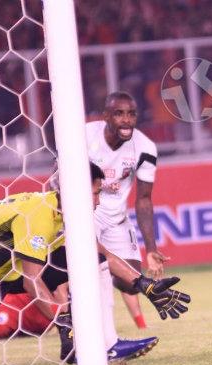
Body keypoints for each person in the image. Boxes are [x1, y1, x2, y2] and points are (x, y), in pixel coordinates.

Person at [0, 163, 190, 362]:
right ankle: (69, 336)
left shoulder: (70, 212)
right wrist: (61, 318)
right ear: (77, 191)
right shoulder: (39, 216)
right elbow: (32, 281)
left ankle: (106, 345)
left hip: (16, 270)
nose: (98, 201)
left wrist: (144, 285)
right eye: (95, 193)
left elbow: (102, 253)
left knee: (92, 257)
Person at [86, 91, 169, 329]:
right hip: (86, 213)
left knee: (131, 282)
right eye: (119, 114)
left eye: (131, 114)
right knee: (85, 269)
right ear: (106, 116)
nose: (126, 120)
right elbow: (58, 177)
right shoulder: (83, 136)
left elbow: (143, 199)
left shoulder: (145, 147)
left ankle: (106, 270)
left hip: (116, 219)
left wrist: (151, 248)